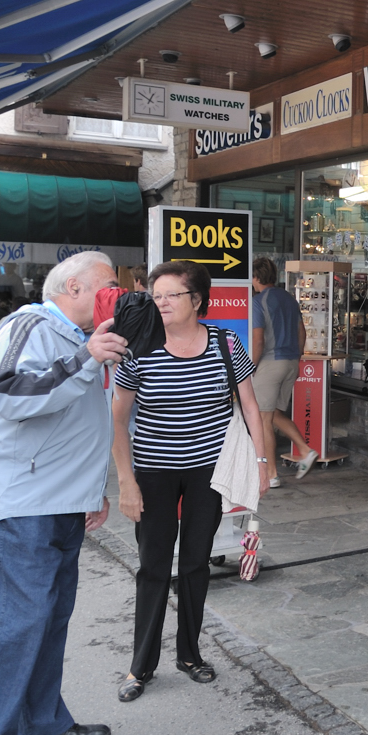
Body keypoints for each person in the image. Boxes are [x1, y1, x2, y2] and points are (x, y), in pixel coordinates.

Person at [0, 250, 127, 735]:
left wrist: (91, 492)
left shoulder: (78, 338)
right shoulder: (30, 326)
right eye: (107, 284)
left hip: (57, 502)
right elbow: (10, 394)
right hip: (19, 505)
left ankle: (41, 725)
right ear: (73, 287)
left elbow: (78, 426)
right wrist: (86, 358)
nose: (116, 293)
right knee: (21, 624)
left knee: (49, 619)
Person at [110, 262, 264, 703]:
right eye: (156, 295)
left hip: (208, 472)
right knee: (153, 566)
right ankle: (141, 665)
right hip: (154, 471)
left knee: (196, 563)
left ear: (196, 300)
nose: (160, 303)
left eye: (171, 295)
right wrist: (126, 482)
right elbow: (117, 420)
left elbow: (250, 406)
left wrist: (261, 463)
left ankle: (190, 655)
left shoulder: (225, 342)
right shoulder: (138, 348)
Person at [249, 258, 317, 489]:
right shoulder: (289, 298)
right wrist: (296, 358)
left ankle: (271, 474)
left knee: (263, 419)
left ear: (256, 277)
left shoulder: (258, 302)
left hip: (270, 363)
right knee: (275, 414)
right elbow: (302, 332)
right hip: (290, 362)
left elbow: (258, 340)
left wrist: (251, 367)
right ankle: (306, 450)